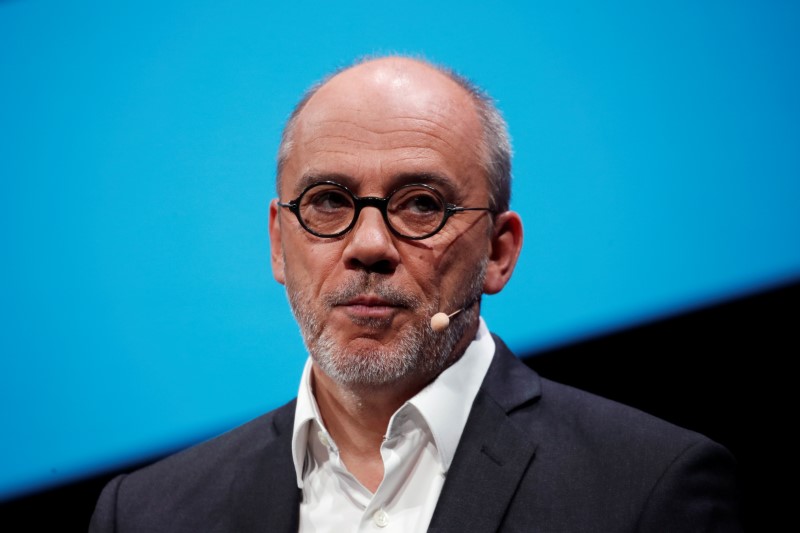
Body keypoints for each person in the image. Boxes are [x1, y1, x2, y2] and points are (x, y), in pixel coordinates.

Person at [89, 55, 742, 532]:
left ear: (497, 251)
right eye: (327, 201)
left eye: (422, 204)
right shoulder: (148, 513)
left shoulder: (649, 489)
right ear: (277, 243)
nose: (368, 243)